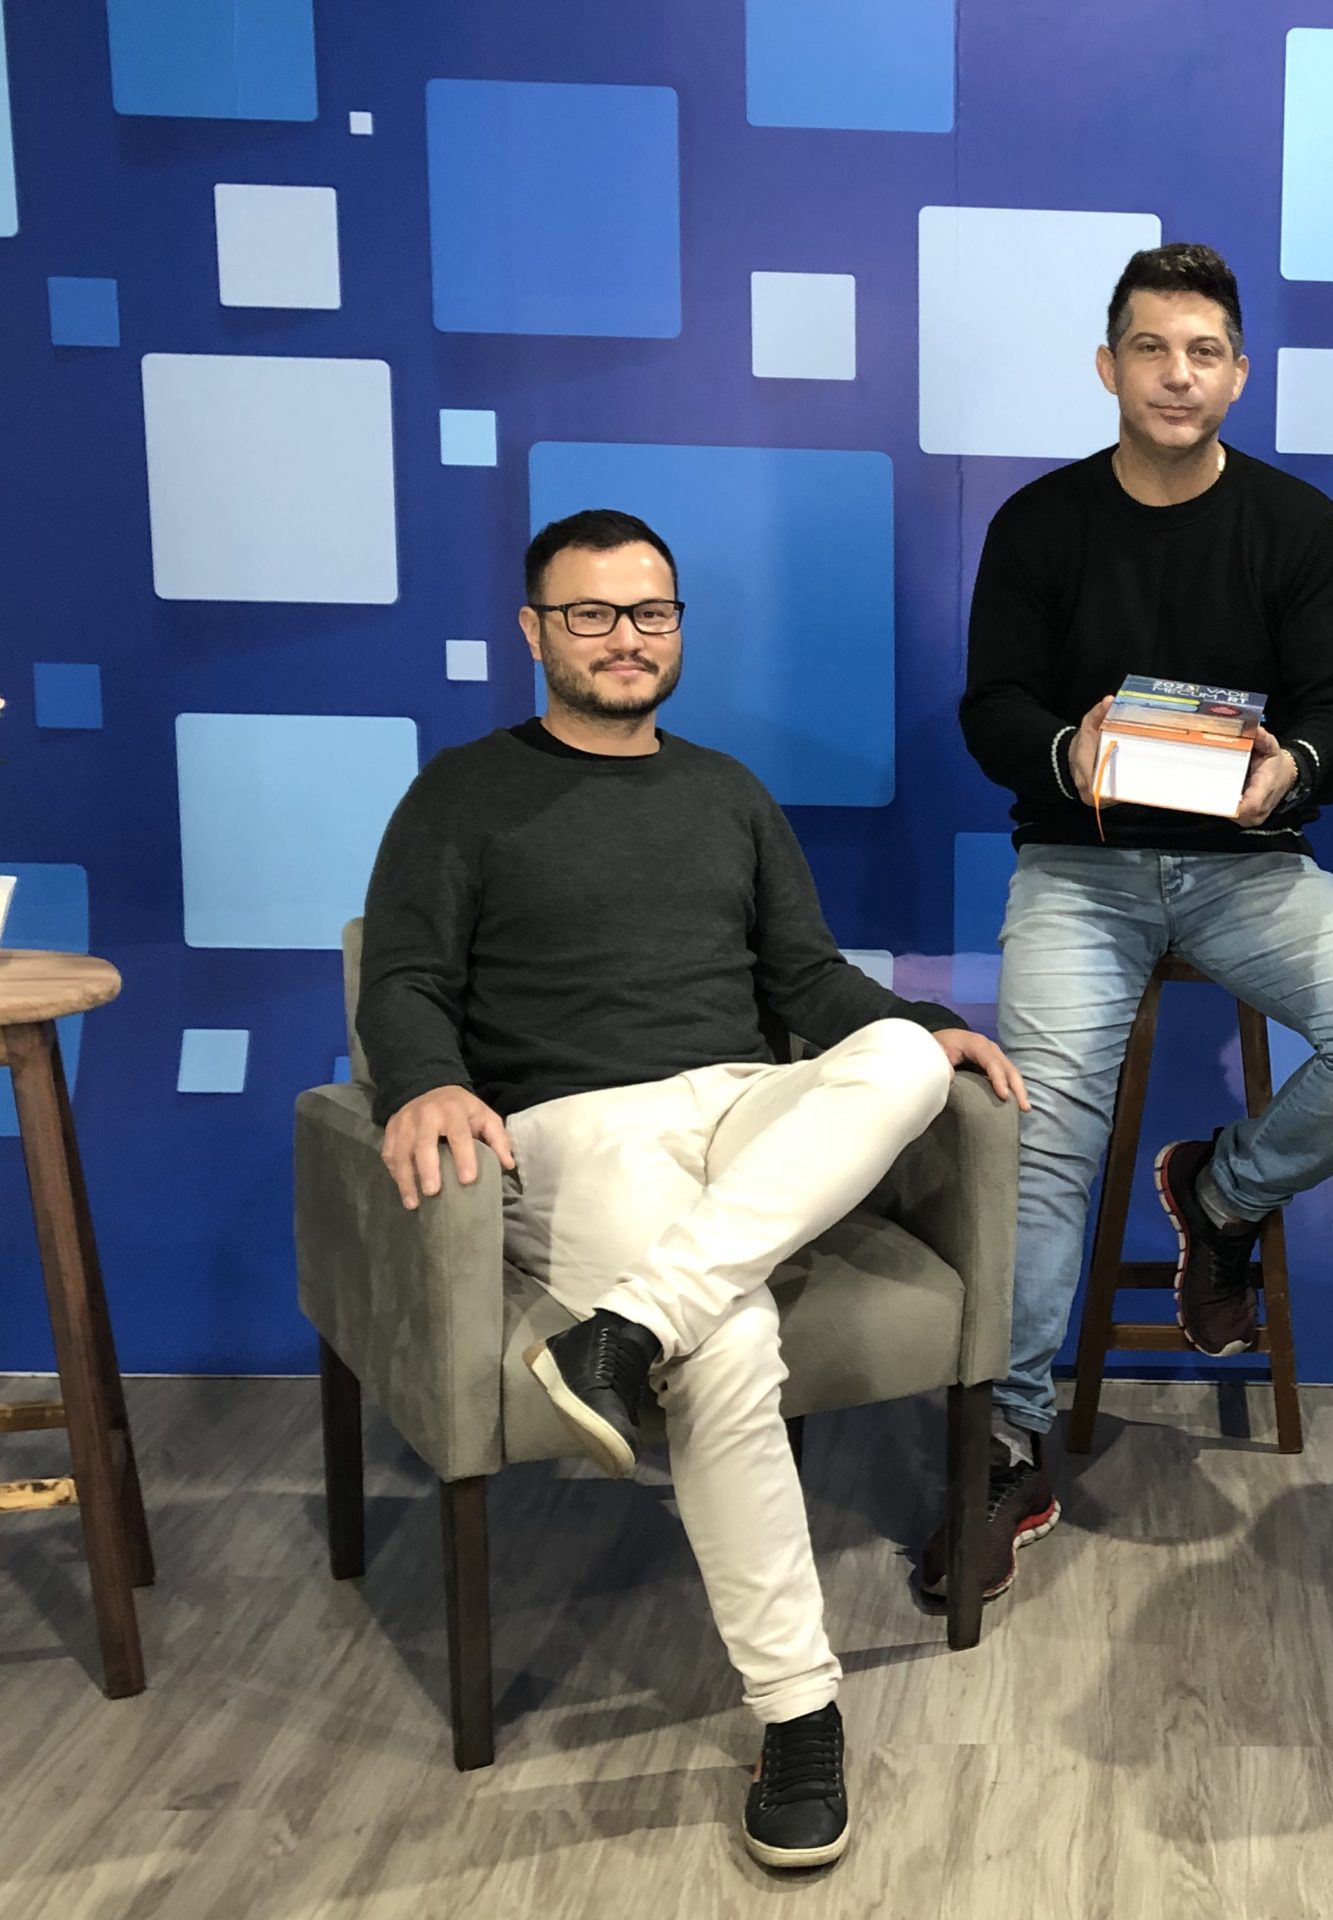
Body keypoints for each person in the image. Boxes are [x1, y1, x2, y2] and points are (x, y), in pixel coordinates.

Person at [357, 509, 1027, 1874]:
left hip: (738, 1102)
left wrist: (920, 1027)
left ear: (677, 628)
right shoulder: (463, 793)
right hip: (574, 1129)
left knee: (905, 1057)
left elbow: (807, 982)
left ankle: (624, 1330)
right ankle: (799, 1711)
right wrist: (421, 1082)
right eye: (592, 614)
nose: (625, 638)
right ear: (534, 630)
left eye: (649, 613)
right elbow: (407, 978)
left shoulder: (728, 792)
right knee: (729, 1346)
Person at [934, 242, 1333, 1599]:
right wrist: (1064, 749)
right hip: (1079, 868)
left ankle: (1221, 1192)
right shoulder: (1037, 523)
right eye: (1151, 348)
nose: (1177, 374)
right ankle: (1011, 1444)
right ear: (1109, 366)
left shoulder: (1298, 526)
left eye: (1204, 352)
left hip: (1246, 866)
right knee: (1045, 1141)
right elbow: (991, 707)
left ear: (1239, 375)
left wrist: (1290, 772)